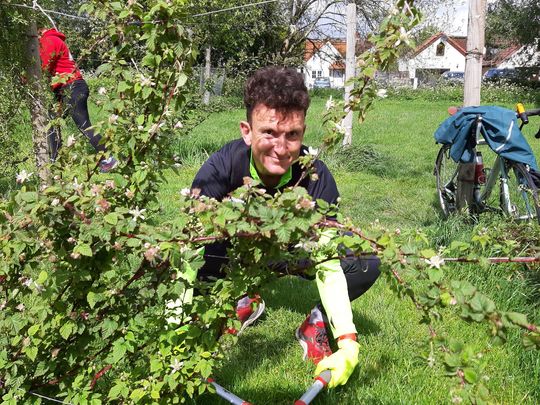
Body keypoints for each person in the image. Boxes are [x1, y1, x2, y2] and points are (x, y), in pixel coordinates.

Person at [191, 66, 380, 388]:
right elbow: (187, 247)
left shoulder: (316, 176)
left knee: (366, 260)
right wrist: (180, 329)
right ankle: (237, 303)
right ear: (246, 131)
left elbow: (327, 259)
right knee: (211, 248)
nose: (281, 148)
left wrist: (348, 341)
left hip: (291, 252)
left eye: (292, 135)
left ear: (303, 133)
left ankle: (315, 324)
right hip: (235, 252)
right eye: (268, 133)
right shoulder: (220, 168)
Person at [38, 27, 117, 172]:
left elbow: (44, 66)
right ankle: (55, 163)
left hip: (71, 87)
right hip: (66, 88)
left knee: (84, 125)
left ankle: (109, 159)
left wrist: (27, 79)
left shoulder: (48, 40)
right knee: (53, 123)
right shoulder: (54, 39)